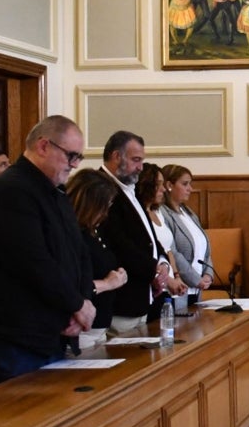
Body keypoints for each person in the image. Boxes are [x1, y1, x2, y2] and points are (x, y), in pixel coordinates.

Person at [0, 116, 94, 385]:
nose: (74, 165)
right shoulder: (10, 191)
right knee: (23, 422)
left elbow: (79, 254)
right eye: (71, 156)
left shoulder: (55, 193)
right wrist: (75, 305)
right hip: (9, 333)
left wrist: (82, 304)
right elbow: (32, 262)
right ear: (43, 146)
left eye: (79, 158)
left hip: (46, 329)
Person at [98, 131, 171, 333]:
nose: (140, 167)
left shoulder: (130, 188)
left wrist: (163, 263)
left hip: (143, 297)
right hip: (122, 300)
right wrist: (153, 271)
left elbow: (149, 239)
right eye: (136, 160)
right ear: (116, 156)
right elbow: (119, 243)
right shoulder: (102, 190)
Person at [66, 169, 129, 349]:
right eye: (105, 206)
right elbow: (74, 284)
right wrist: (107, 283)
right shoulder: (74, 234)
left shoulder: (95, 230)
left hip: (100, 327)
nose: (106, 213)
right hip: (82, 329)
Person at [136, 163, 187, 319]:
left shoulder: (157, 211)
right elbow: (144, 253)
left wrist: (176, 276)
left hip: (168, 285)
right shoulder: (138, 215)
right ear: (146, 186)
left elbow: (167, 249)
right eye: (158, 184)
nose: (163, 189)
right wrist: (168, 280)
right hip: (155, 286)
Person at [161, 163, 213, 303]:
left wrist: (208, 274)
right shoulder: (163, 214)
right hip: (180, 288)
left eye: (190, 184)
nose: (190, 189)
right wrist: (196, 280)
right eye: (185, 184)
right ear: (169, 185)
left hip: (197, 288)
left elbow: (205, 247)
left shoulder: (189, 213)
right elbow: (173, 252)